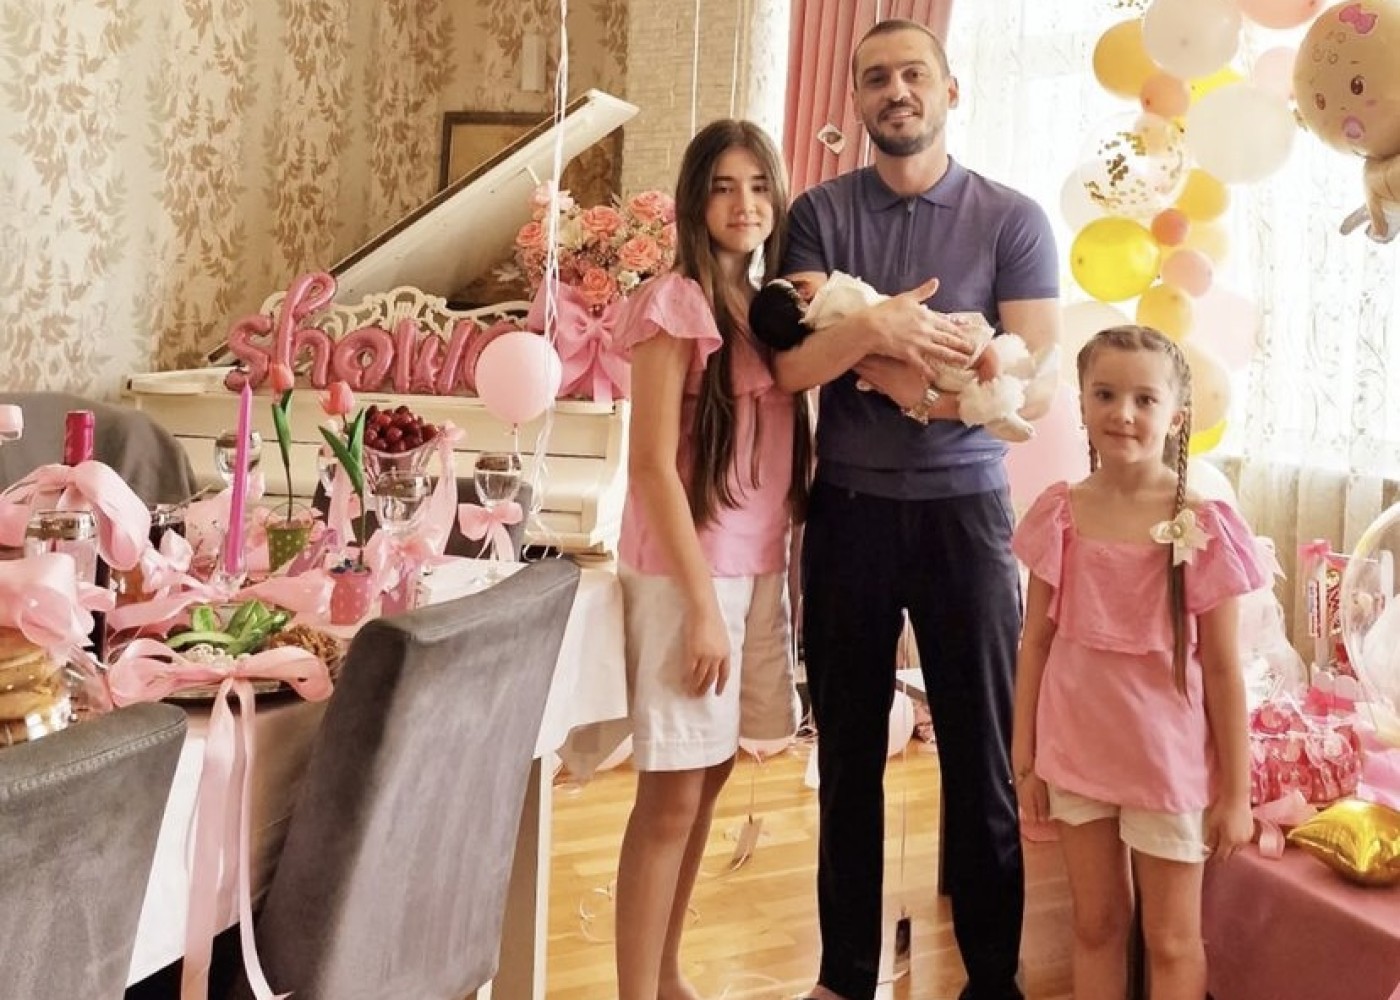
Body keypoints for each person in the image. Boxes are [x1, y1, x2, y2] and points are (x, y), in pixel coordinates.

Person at [775, 18, 1060, 1000]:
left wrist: (912, 388)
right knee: (848, 759)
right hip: (847, 515)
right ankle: (844, 975)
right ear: (855, 100)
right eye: (874, 79)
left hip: (966, 517)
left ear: (948, 90)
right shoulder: (816, 215)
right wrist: (880, 329)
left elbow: (1031, 381)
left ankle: (993, 980)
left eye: (912, 74)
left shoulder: (1012, 218)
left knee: (981, 759)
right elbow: (791, 365)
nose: (894, 91)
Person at [611, 118, 811, 1000]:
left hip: (755, 566)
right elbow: (651, 465)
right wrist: (699, 608)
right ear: (696, 200)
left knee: (711, 773)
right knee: (670, 795)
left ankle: (666, 975)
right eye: (725, 187)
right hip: (687, 574)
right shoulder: (676, 301)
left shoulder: (767, 311)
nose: (744, 204)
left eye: (759, 186)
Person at [1011, 326, 1265, 999]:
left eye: (1144, 399)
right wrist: (1024, 755)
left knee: (1172, 939)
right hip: (1077, 751)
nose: (1123, 413)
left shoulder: (1203, 523)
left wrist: (1235, 794)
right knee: (1095, 925)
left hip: (1166, 763)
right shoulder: (1061, 514)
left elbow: (1222, 670)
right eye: (1105, 394)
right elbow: (1035, 642)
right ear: (1083, 404)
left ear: (1176, 416)